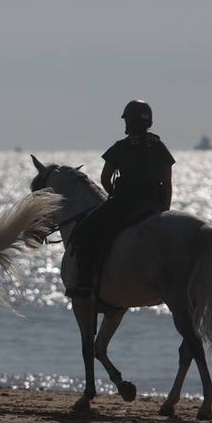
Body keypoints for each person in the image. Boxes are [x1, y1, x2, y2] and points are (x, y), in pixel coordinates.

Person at [68, 100, 175, 297]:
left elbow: (105, 179)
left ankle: (84, 283)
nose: (125, 124)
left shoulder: (121, 147)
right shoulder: (160, 147)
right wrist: (163, 211)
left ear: (131, 122)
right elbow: (167, 184)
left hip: (124, 206)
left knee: (83, 232)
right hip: (153, 207)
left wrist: (113, 196)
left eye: (127, 120)